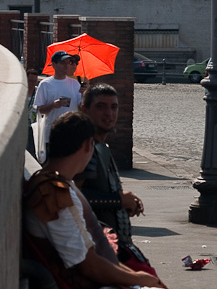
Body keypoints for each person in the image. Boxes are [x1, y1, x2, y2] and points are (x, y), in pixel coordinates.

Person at [23, 112, 166, 289]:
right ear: (88, 145)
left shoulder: (57, 184)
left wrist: (136, 276)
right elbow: (89, 267)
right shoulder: (52, 194)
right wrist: (140, 279)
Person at [77, 84, 155, 274]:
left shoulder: (101, 146)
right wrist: (118, 200)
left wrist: (124, 202)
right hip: (97, 250)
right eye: (101, 106)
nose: (108, 113)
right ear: (85, 109)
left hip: (112, 247)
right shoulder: (86, 149)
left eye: (114, 107)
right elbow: (73, 198)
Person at [33, 51, 83, 161]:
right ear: (54, 65)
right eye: (62, 63)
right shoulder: (45, 84)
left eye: (68, 62)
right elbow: (40, 110)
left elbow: (83, 107)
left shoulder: (75, 84)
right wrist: (52, 105)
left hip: (71, 133)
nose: (66, 65)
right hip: (51, 134)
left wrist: (85, 93)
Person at [25, 68, 39, 158]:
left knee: (32, 149)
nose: (32, 83)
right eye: (30, 81)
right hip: (23, 125)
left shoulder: (38, 91)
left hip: (34, 124)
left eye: (35, 81)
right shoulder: (22, 90)